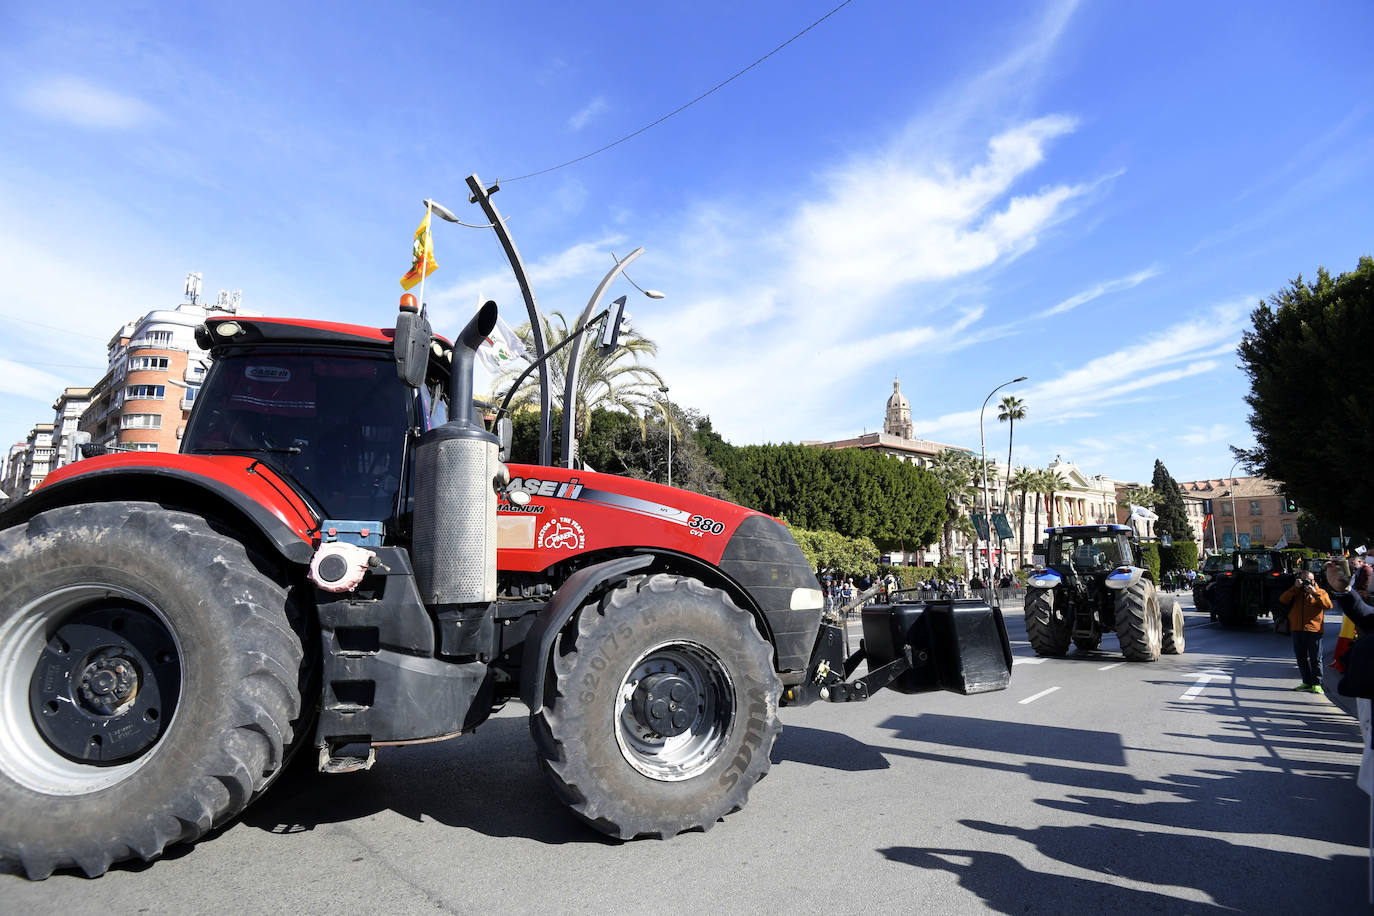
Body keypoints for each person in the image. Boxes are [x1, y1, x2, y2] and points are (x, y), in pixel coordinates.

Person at [1280, 568, 1332, 693]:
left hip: (1314, 630)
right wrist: (1295, 588)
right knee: (1301, 657)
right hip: (1297, 629)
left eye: (1309, 579)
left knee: (1316, 658)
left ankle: (1317, 683)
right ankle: (1306, 682)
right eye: (1303, 579)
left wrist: (1315, 593)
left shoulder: (1321, 592)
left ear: (1314, 580)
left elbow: (1328, 606)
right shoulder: (1295, 592)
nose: (1306, 582)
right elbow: (1283, 599)